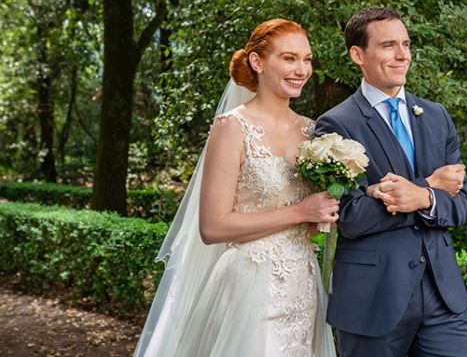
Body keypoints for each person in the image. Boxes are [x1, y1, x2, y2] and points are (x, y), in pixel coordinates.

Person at [134, 18, 337, 357]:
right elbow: (213, 227)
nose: (301, 69)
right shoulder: (232, 127)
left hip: (303, 285)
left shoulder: (312, 132)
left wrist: (323, 214)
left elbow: (311, 218)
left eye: (307, 59)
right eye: (289, 58)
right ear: (257, 62)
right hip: (251, 286)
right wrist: (300, 211)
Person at [315, 7, 467, 356]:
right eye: (389, 45)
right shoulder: (335, 125)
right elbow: (351, 216)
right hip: (372, 299)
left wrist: (421, 196)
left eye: (405, 44)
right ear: (358, 55)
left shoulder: (436, 116)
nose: (402, 55)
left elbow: (462, 204)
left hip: (443, 299)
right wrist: (429, 187)